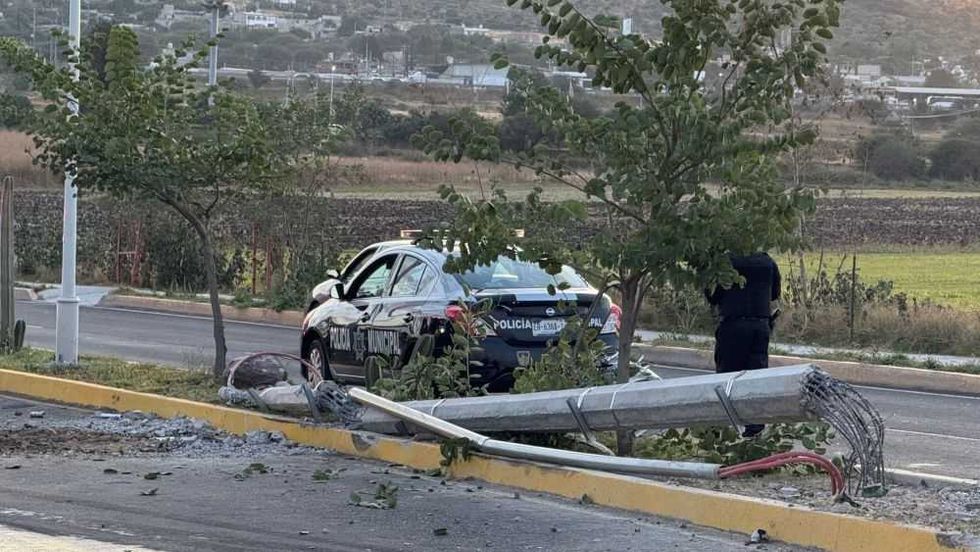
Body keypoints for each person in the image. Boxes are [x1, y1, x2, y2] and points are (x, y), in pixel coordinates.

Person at [705, 252, 781, 438]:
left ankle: (720, 430)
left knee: (726, 378)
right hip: (760, 325)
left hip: (733, 325)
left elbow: (713, 295)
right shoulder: (767, 261)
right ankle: (754, 429)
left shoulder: (726, 260)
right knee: (756, 378)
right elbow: (775, 293)